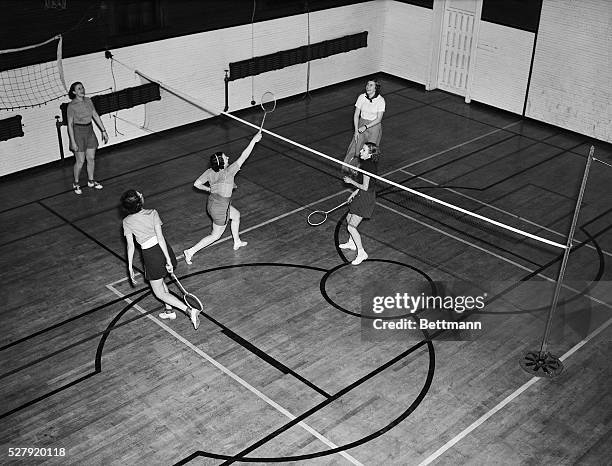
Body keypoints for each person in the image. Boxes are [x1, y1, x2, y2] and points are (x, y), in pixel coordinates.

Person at [121, 189, 201, 330]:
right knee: (160, 279)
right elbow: (160, 238)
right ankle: (169, 311)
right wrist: (168, 259)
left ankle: (189, 310)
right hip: (163, 249)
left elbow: (130, 246)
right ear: (140, 201)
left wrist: (129, 267)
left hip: (151, 256)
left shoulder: (126, 221)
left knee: (158, 292)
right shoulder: (153, 213)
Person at [184, 131, 263, 264]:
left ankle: (236, 241)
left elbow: (196, 184)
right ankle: (190, 251)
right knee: (215, 235)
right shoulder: (229, 172)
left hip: (212, 203)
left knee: (236, 215)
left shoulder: (210, 171)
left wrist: (209, 189)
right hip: (221, 209)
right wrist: (254, 141)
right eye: (225, 157)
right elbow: (244, 156)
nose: (228, 157)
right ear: (222, 164)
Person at [341, 142, 381, 265]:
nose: (360, 152)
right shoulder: (367, 163)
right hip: (361, 195)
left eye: (364, 150)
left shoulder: (367, 167)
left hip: (366, 198)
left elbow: (365, 186)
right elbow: (365, 186)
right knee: (349, 217)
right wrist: (353, 194)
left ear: (369, 154)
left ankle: (362, 252)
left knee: (351, 227)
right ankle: (352, 243)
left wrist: (350, 181)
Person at [66, 82, 109, 195]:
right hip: (78, 132)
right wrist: (73, 141)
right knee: (80, 161)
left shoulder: (88, 101)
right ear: (74, 92)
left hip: (89, 130)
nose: (82, 90)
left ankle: (91, 180)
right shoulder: (71, 106)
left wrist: (103, 131)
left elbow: (95, 115)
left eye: (82, 87)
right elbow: (70, 125)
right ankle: (76, 183)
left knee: (91, 158)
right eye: (79, 88)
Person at [343, 79, 385, 174]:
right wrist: (356, 131)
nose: (368, 86)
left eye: (371, 85)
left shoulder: (381, 101)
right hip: (362, 124)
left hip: (374, 126)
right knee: (356, 147)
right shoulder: (361, 97)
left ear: (376, 88)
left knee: (370, 151)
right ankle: (350, 167)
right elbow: (356, 115)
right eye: (367, 84)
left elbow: (378, 119)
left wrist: (366, 127)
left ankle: (367, 172)